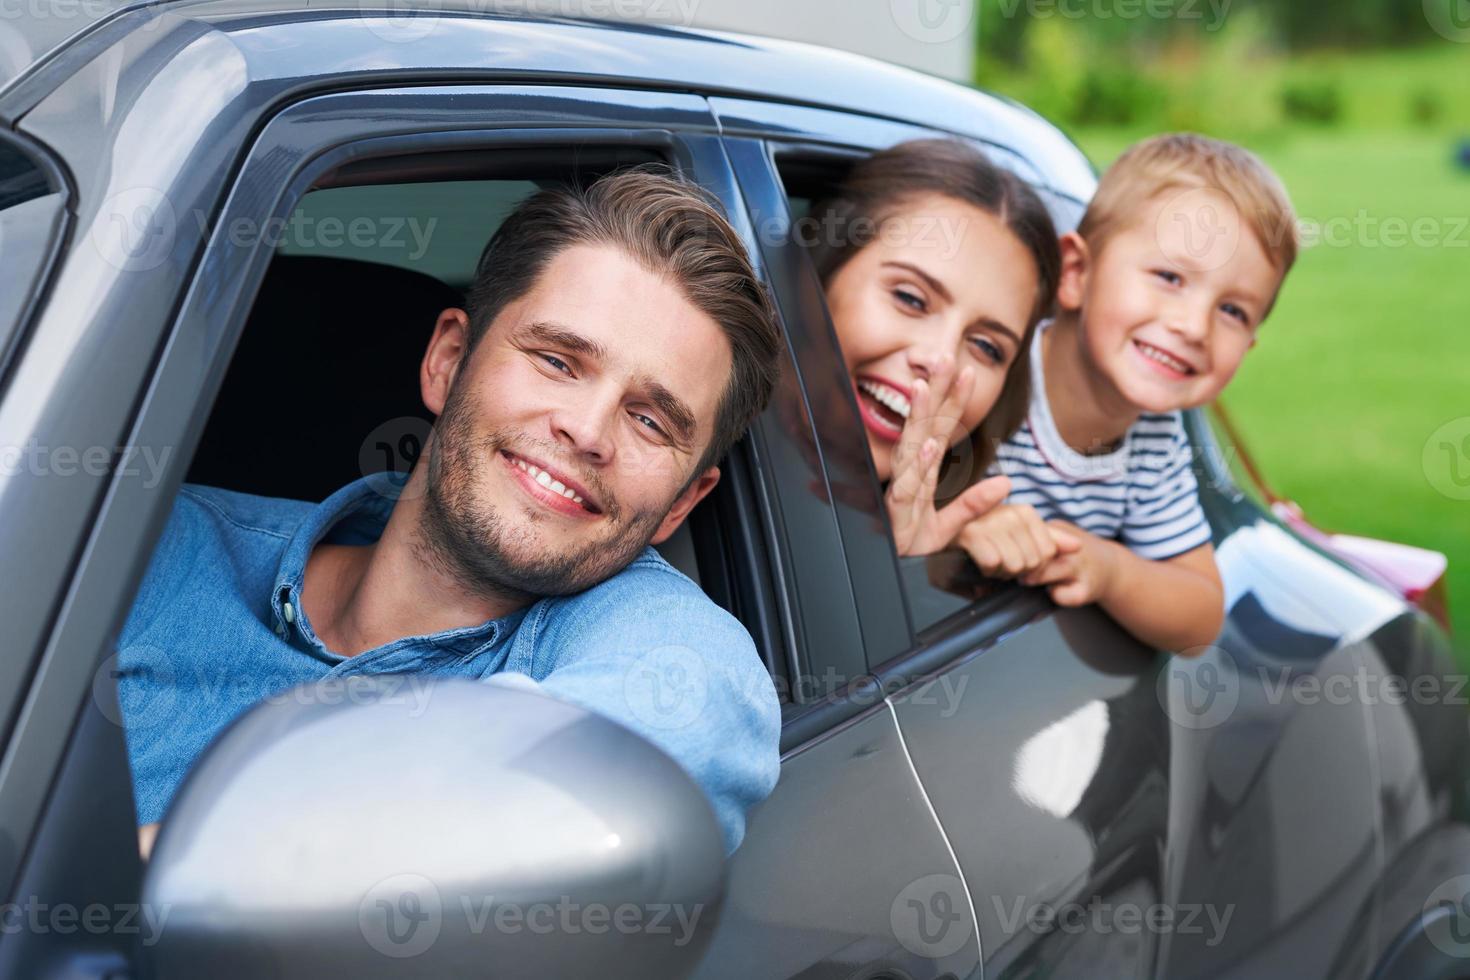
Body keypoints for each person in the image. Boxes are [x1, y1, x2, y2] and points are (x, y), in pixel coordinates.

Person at [116, 167, 786, 857]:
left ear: (682, 502)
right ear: (448, 360)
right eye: (557, 361)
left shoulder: (652, 641)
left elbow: (684, 722)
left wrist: (141, 873)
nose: (587, 431)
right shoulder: (151, 550)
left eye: (649, 421)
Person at [957, 133, 1299, 652]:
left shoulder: (1154, 441)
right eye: (1169, 276)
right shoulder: (989, 368)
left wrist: (1109, 569)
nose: (1193, 326)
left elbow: (1199, 617)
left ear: (1248, 347)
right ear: (1076, 272)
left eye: (1232, 310)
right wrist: (963, 526)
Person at [804, 138, 1063, 557]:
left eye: (985, 346)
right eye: (910, 298)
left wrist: (900, 557)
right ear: (815, 274)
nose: (940, 359)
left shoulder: (958, 541)